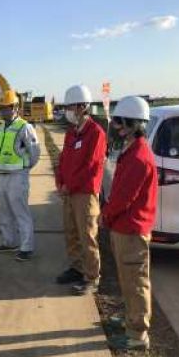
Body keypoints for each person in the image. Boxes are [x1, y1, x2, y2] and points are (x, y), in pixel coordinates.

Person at [102, 96, 158, 350]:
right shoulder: (132, 150)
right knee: (127, 278)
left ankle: (137, 335)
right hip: (124, 227)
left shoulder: (138, 157)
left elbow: (123, 198)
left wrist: (106, 215)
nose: (117, 127)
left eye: (122, 123)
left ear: (136, 124)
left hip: (131, 229)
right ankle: (130, 318)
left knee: (135, 281)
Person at [55, 85, 107, 295]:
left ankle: (92, 276)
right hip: (69, 191)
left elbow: (91, 167)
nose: (67, 110)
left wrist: (70, 185)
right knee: (71, 232)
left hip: (84, 193)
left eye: (70, 106)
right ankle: (76, 268)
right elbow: (63, 160)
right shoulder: (71, 134)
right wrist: (60, 183)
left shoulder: (96, 133)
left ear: (81, 107)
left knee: (87, 235)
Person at [0, 89, 40, 262]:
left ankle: (26, 247)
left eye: (6, 107)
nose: (3, 110)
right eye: (1, 107)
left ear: (15, 108)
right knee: (4, 211)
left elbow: (35, 152)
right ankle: (9, 242)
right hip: (2, 175)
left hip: (17, 176)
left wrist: (26, 167)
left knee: (21, 212)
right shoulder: (0, 126)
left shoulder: (24, 127)